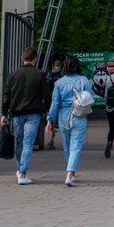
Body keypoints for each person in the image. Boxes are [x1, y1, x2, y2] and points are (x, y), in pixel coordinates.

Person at [0, 47, 49, 185]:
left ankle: (19, 169)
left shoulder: (14, 74)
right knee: (28, 143)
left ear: (22, 59)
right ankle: (23, 173)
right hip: (33, 114)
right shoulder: (40, 74)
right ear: (35, 59)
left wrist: (4, 113)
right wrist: (47, 112)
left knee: (20, 142)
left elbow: (7, 95)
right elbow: (47, 95)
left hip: (16, 114)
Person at [45, 55, 91, 186]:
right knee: (75, 146)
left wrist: (49, 120)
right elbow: (89, 96)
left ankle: (69, 173)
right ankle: (70, 174)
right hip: (79, 115)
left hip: (63, 116)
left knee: (66, 146)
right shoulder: (83, 80)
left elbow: (55, 103)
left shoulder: (59, 83)